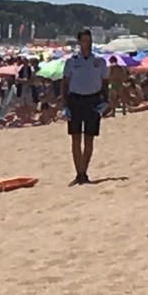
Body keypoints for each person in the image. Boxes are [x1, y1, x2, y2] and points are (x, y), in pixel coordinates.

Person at [61, 29, 109, 185]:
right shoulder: (72, 61)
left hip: (93, 101)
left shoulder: (99, 61)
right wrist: (65, 105)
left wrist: (106, 101)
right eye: (83, 40)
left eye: (88, 40)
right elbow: (65, 83)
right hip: (75, 100)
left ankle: (84, 172)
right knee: (75, 138)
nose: (86, 43)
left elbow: (105, 83)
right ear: (79, 42)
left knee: (89, 139)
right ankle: (78, 173)